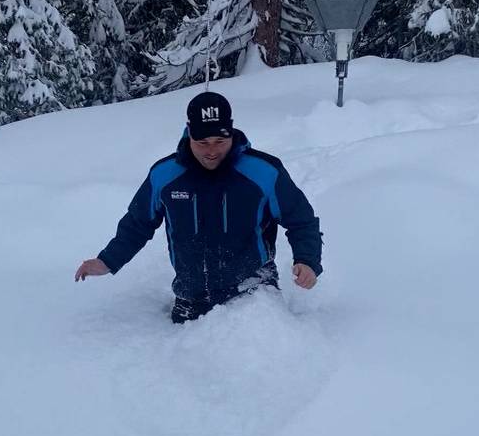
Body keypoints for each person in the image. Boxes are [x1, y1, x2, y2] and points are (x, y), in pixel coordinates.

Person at [75, 91, 323, 323]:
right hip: (190, 297)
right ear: (189, 134)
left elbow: (301, 220)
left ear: (232, 132)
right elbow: (137, 224)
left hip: (254, 289)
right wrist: (107, 261)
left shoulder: (264, 172)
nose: (212, 151)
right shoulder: (165, 175)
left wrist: (308, 260)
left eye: (220, 140)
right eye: (203, 142)